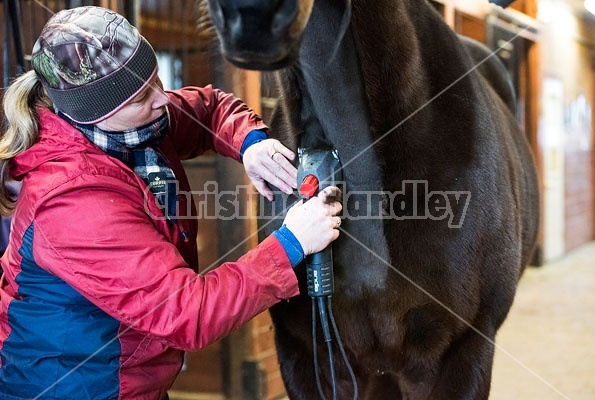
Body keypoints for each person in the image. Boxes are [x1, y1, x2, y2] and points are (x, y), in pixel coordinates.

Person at [0, 6, 342, 400]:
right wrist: (292, 243)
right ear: (99, 114)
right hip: (75, 388)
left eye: (155, 79)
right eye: (143, 94)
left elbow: (208, 108)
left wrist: (251, 143)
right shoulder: (73, 201)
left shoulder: (135, 124)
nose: (162, 97)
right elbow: (187, 312)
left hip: (134, 378)